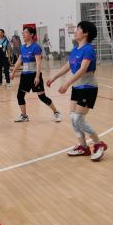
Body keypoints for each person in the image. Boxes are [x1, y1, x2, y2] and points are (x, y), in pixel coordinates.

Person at [46, 19, 107, 161]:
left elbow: (82, 69)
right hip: (77, 88)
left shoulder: (88, 50)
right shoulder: (75, 49)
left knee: (78, 119)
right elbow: (67, 66)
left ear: (85, 33)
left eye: (78, 29)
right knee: (73, 118)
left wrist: (66, 84)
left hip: (88, 87)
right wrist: (54, 77)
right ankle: (83, 147)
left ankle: (99, 144)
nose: (76, 31)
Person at [12, 25, 61, 123]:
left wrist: (37, 76)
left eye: (25, 32)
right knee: (20, 96)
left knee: (42, 97)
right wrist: (13, 72)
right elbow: (19, 60)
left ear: (31, 34)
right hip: (24, 76)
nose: (23, 34)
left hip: (34, 75)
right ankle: (24, 116)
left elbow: (38, 62)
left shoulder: (36, 47)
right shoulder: (22, 47)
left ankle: (56, 112)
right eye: (23, 33)